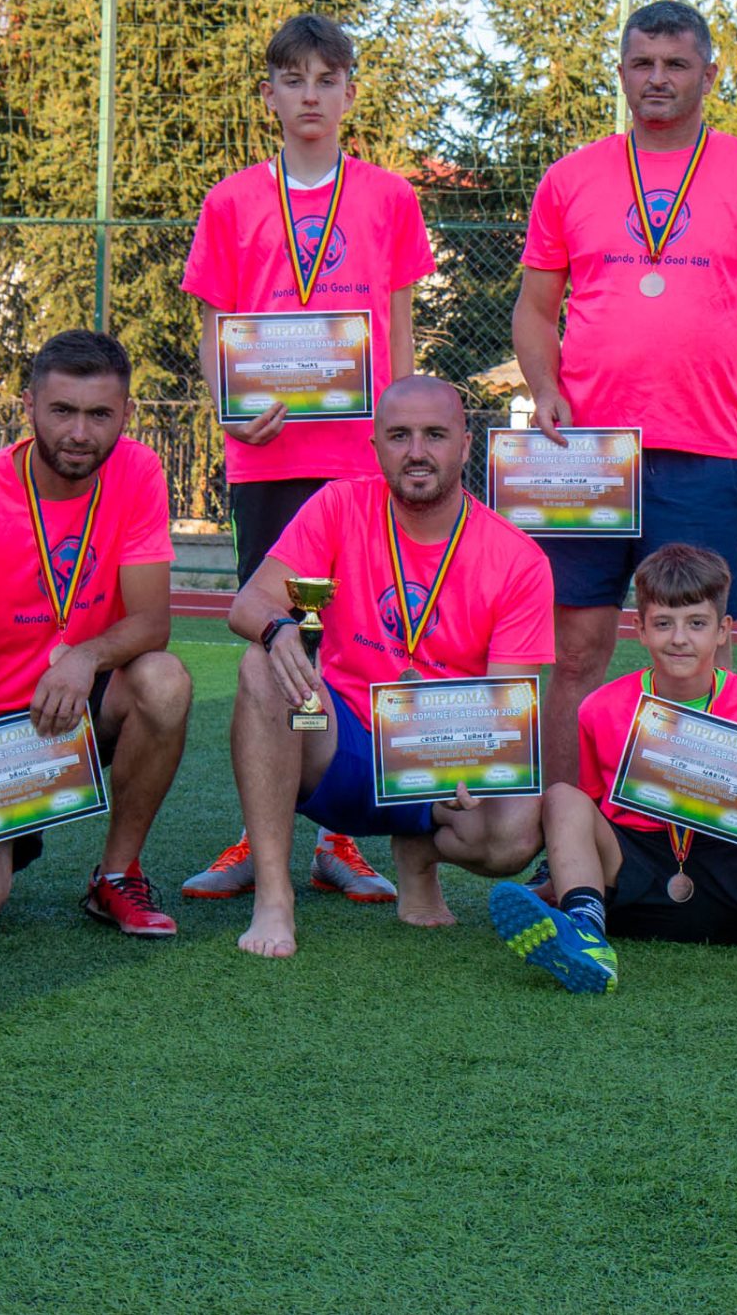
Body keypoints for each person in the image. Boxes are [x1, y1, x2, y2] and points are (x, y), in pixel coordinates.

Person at [513, 0, 737, 788]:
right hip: (583, 454)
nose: (657, 78)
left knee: (699, 656)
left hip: (702, 453)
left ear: (708, 76)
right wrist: (543, 386)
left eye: (676, 64)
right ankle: (570, 825)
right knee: (575, 652)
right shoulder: (570, 177)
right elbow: (535, 310)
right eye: (642, 63)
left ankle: (692, 829)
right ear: (621, 73)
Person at [178, 12, 434, 907]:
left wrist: (401, 438)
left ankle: (338, 837)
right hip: (269, 462)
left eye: (328, 80)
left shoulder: (390, 198)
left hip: (357, 466)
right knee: (274, 640)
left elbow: (398, 328)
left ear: (350, 94)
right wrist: (230, 407)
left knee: (350, 641)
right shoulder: (231, 201)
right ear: (270, 96)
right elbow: (214, 327)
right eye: (294, 80)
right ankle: (264, 835)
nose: (311, 96)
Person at [225, 376, 554, 958]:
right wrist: (279, 628)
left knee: (514, 831)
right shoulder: (338, 505)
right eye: (399, 436)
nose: (417, 451)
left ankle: (418, 855)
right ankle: (274, 896)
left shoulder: (518, 559)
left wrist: (473, 765)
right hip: (339, 742)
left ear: (465, 445)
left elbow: (506, 709)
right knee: (261, 664)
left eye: (435, 435)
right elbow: (250, 603)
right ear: (375, 445)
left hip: (442, 757)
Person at [486, 544, 737, 1009]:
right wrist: (562, 879)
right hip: (633, 884)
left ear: (723, 630)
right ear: (639, 629)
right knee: (562, 797)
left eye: (696, 623)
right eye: (663, 623)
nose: (679, 638)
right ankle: (585, 932)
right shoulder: (601, 707)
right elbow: (591, 811)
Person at [0, 330, 192, 940]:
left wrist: (85, 658)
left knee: (164, 679)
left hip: (84, 704)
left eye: (100, 415)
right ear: (29, 406)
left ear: (127, 413)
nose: (79, 433)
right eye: (62, 411)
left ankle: (116, 875)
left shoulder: (138, 470)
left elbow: (153, 622)